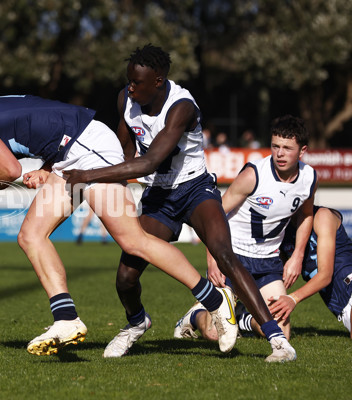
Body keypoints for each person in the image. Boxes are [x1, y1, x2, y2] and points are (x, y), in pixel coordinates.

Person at [0, 94, 237, 357]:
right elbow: (38, 121)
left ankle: (214, 300)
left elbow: (11, 168)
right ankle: (66, 318)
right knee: (31, 236)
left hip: (88, 148)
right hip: (69, 155)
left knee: (133, 241)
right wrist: (45, 169)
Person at [63, 44, 299, 362]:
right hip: (159, 197)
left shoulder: (181, 106)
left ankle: (278, 343)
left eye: (138, 82)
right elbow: (126, 151)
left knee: (225, 255)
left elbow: (149, 162)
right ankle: (136, 324)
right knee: (125, 277)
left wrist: (88, 175)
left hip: (194, 190)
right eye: (128, 80)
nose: (130, 88)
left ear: (159, 80)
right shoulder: (125, 99)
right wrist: (110, 186)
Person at [173, 115, 316, 346]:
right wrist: (213, 258)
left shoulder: (309, 178)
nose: (279, 153)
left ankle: (241, 316)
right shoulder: (253, 175)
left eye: (287, 148)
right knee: (212, 333)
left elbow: (306, 214)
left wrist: (298, 256)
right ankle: (194, 316)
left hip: (268, 262)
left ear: (302, 151)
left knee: (282, 331)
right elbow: (215, 214)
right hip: (233, 257)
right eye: (275, 146)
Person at [236, 206, 352, 339]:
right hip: (342, 308)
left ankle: (240, 318)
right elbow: (277, 273)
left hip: (349, 284)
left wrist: (293, 298)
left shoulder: (322, 216)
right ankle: (240, 317)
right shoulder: (282, 228)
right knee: (278, 331)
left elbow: (325, 275)